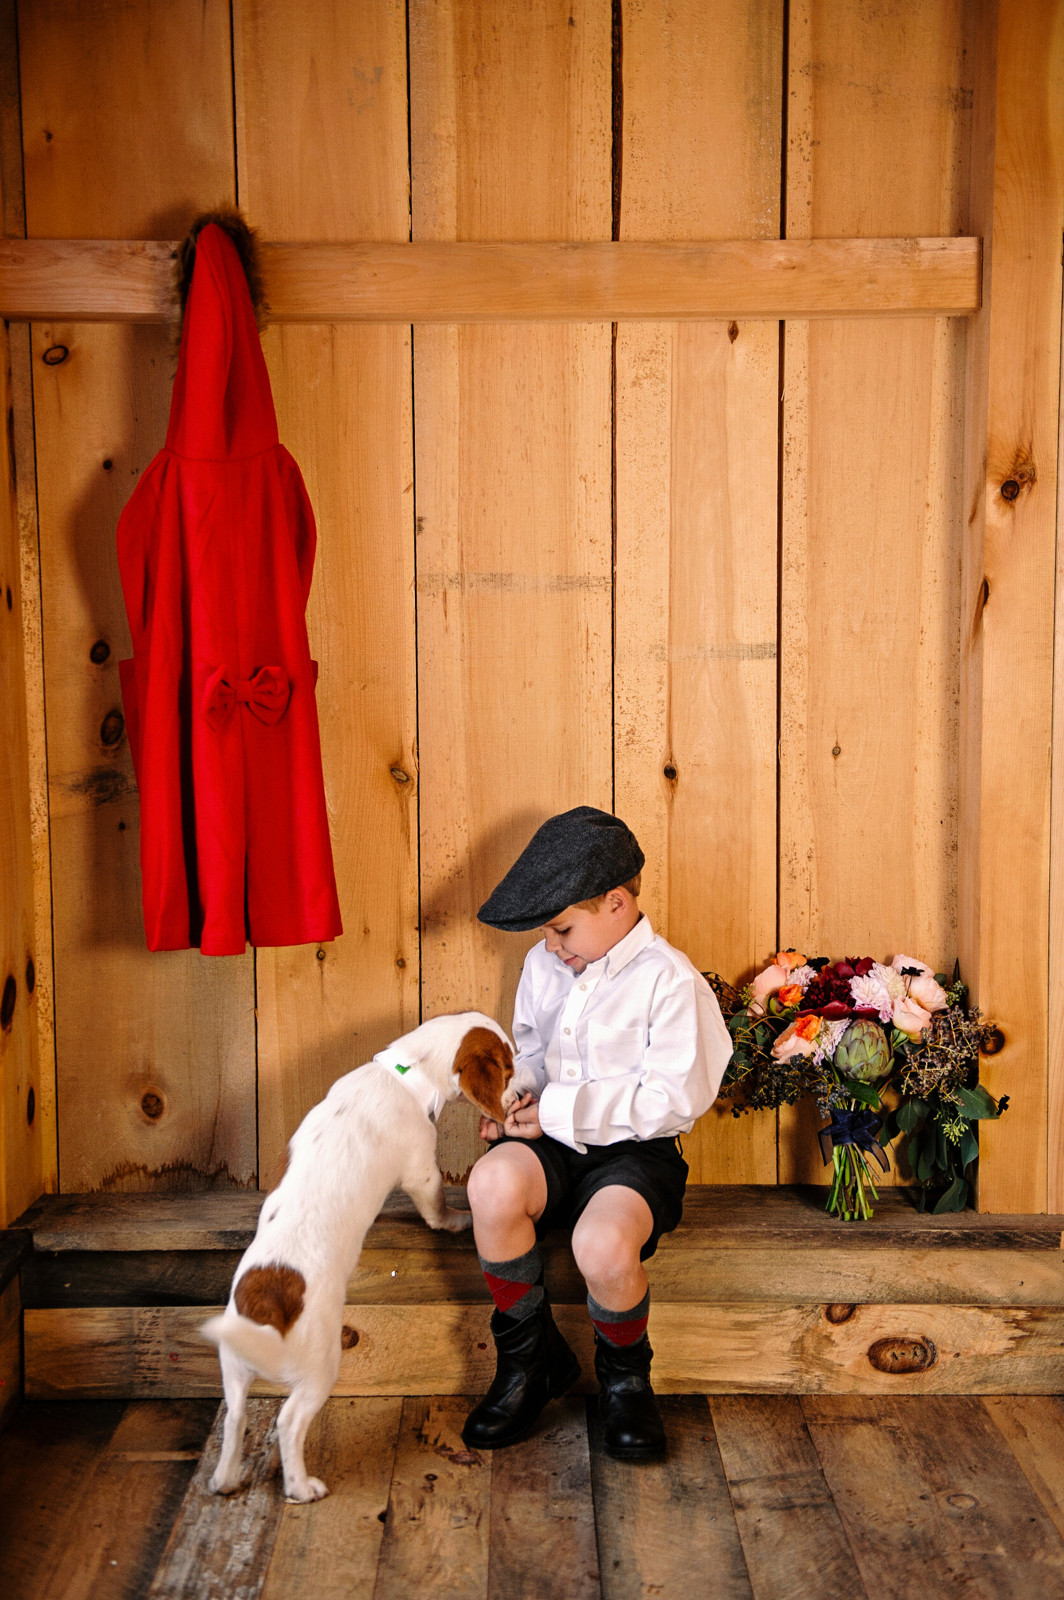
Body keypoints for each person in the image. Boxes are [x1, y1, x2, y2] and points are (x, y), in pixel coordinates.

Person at [462, 806, 732, 1460]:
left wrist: (554, 1112)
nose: (552, 945)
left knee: (603, 1244)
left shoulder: (670, 982)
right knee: (492, 1182)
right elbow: (530, 1048)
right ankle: (527, 1362)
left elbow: (674, 1100)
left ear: (616, 903)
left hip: (635, 1158)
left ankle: (625, 1380)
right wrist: (516, 1091)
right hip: (553, 1148)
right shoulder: (543, 965)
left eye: (562, 928)